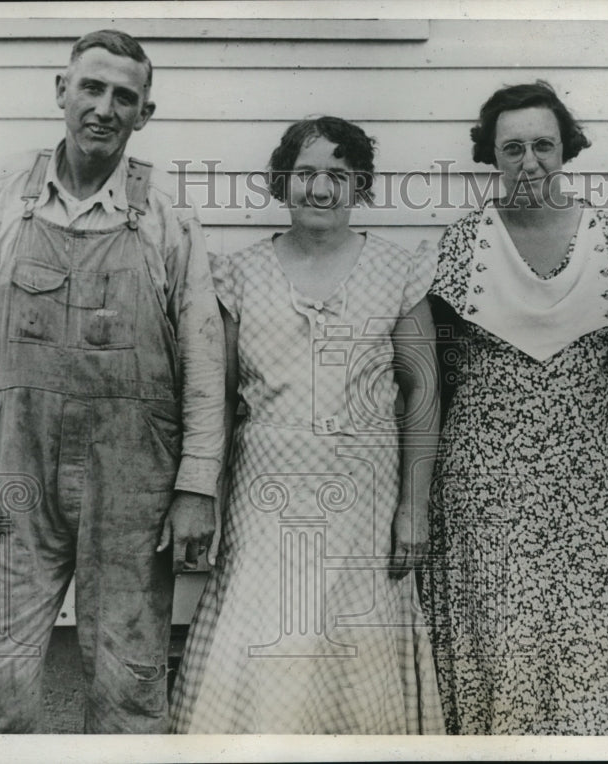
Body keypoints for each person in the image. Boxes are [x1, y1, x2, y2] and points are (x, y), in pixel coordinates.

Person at [0, 30, 225, 733]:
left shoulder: (167, 218)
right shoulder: (1, 196)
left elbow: (206, 360)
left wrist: (194, 487)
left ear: (144, 113)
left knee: (129, 681)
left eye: (124, 96)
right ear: (61, 92)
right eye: (91, 88)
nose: (104, 107)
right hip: (16, 472)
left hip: (133, 479)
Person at [169, 116, 445, 734]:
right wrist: (203, 501)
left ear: (361, 186)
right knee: (267, 640)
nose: (320, 190)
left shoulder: (398, 272)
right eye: (306, 173)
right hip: (264, 503)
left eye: (338, 176)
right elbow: (219, 398)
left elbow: (423, 389)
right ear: (282, 181)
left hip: (364, 504)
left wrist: (414, 507)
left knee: (352, 646)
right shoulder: (239, 274)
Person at [422, 80, 608, 735]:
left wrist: (566, 420)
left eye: (543, 146)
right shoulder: (463, 243)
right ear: (491, 156)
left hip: (586, 483)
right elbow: (433, 361)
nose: (529, 162)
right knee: (504, 638)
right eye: (513, 148)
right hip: (486, 487)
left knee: (589, 636)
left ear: (567, 149)